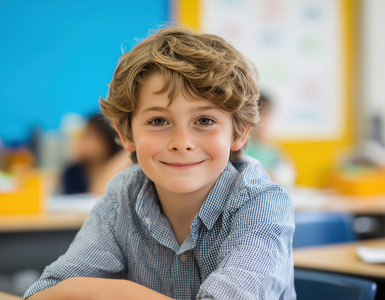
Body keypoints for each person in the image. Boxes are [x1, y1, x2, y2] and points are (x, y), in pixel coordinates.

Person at [24, 27, 295, 299]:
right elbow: (44, 293)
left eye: (204, 121)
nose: (182, 142)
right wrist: (89, 289)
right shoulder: (124, 195)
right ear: (126, 135)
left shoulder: (262, 204)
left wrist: (95, 291)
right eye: (158, 121)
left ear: (239, 133)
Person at [61, 114, 132, 195]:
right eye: (82, 136)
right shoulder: (73, 172)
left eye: (90, 137)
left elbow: (99, 193)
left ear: (107, 141)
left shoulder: (124, 169)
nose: (82, 142)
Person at [245, 94, 296, 187]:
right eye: (263, 116)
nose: (267, 123)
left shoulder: (275, 151)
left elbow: (288, 178)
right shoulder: (242, 150)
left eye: (269, 117)